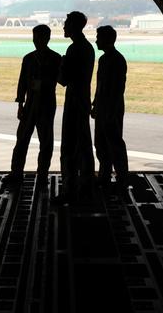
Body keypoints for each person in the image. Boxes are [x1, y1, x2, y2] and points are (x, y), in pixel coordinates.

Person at [1, 25, 61, 191]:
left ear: (47, 38)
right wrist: (20, 104)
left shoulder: (54, 59)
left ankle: (40, 174)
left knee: (44, 141)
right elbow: (22, 83)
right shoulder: (33, 58)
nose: (36, 41)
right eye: (35, 38)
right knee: (22, 140)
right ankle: (18, 173)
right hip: (33, 103)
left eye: (39, 38)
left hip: (44, 104)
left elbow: (61, 79)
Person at [51, 11, 95, 205]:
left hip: (74, 102)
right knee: (84, 146)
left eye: (67, 23)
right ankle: (86, 186)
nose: (64, 27)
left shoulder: (74, 50)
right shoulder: (88, 48)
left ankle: (69, 190)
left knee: (69, 148)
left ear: (75, 26)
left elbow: (63, 80)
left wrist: (61, 65)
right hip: (83, 100)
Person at [91, 25, 129, 199]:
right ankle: (106, 175)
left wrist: (110, 111)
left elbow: (117, 89)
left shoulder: (115, 60)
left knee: (114, 145)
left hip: (110, 109)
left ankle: (121, 179)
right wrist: (95, 104)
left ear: (107, 39)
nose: (96, 40)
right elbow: (100, 86)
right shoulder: (107, 59)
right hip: (103, 108)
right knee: (101, 144)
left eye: (99, 37)